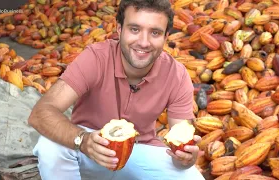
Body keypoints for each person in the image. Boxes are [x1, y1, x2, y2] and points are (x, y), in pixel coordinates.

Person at [28, 0, 205, 179]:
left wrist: (185, 158)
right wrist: (83, 140)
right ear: (119, 30)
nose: (144, 42)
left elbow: (180, 146)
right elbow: (40, 113)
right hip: (90, 149)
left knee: (191, 177)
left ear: (166, 37)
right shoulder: (96, 58)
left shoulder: (177, 74)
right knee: (50, 147)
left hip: (139, 153)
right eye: (134, 29)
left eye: (155, 33)